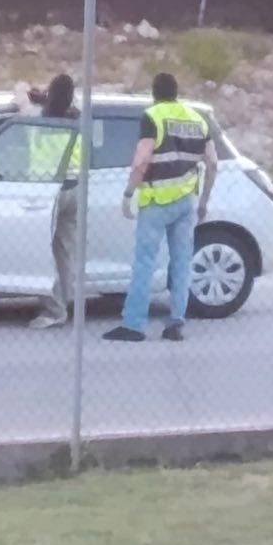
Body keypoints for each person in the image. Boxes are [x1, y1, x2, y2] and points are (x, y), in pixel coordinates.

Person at [104, 72, 218, 343]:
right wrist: (203, 202)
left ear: (154, 93)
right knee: (181, 263)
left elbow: (142, 160)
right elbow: (212, 163)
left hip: (156, 202)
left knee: (144, 262)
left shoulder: (152, 116)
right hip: (186, 202)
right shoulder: (197, 119)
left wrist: (128, 193)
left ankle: (134, 325)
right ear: (176, 93)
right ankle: (176, 323)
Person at [21, 74, 83, 331]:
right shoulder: (77, 118)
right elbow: (71, 100)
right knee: (63, 253)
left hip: (47, 193)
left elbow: (21, 92)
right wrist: (50, 93)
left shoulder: (39, 119)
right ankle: (63, 305)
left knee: (43, 253)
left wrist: (36, 91)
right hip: (74, 188)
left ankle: (53, 310)